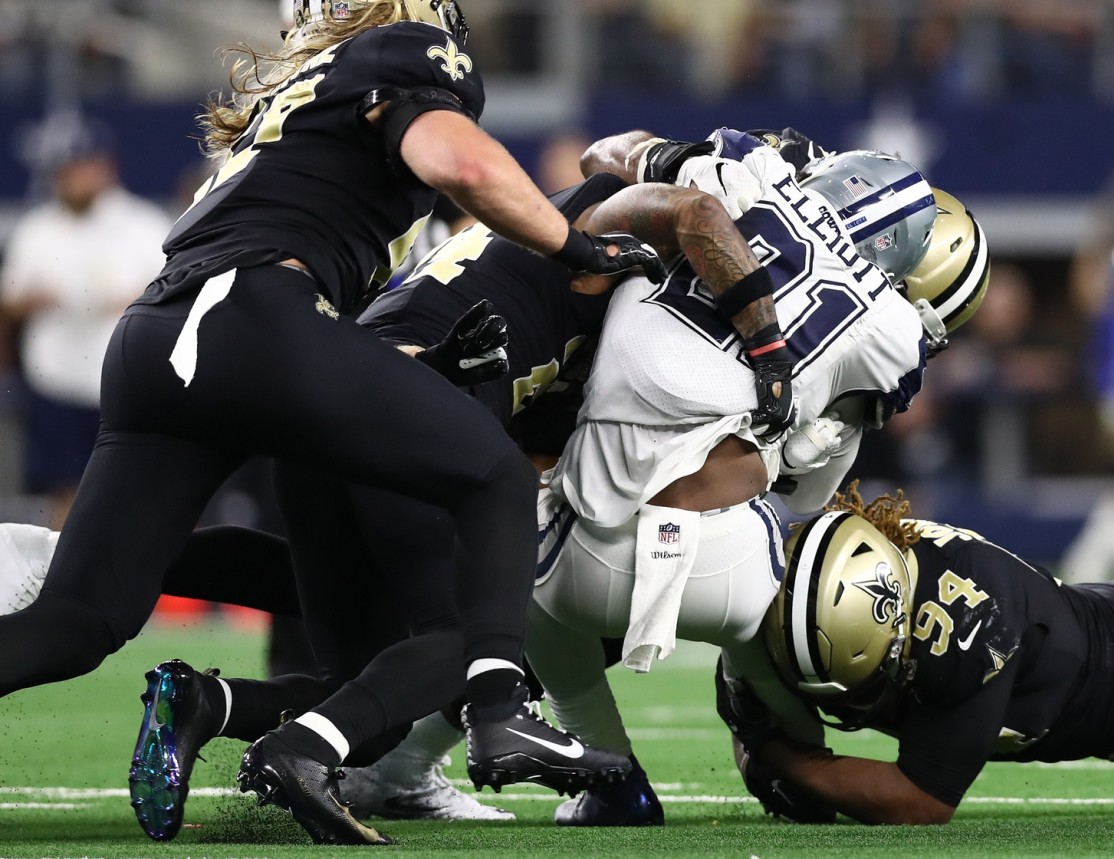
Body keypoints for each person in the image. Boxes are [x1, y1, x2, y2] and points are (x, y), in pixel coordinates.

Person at [0, 0, 670, 845]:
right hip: (252, 315)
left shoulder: (306, 90)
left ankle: (74, 562)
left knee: (79, 622)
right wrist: (575, 247)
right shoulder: (405, 51)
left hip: (156, 337)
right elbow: (457, 159)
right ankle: (501, 705)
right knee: (489, 476)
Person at [124, 160, 802, 843]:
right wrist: (769, 347)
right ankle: (300, 749)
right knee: (472, 639)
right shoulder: (597, 227)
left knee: (372, 701)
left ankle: (201, 696)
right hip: (398, 405)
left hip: (333, 414)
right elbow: (696, 215)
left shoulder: (552, 287)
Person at [522, 127, 990, 826]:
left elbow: (601, 156)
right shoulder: (889, 337)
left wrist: (674, 166)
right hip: (727, 569)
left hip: (569, 527)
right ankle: (795, 760)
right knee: (793, 559)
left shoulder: (745, 168)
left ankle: (612, 777)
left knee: (516, 580)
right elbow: (799, 492)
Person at [717, 482, 1114, 825]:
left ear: (899, 626)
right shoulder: (825, 572)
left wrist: (783, 757)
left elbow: (919, 802)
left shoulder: (973, 631)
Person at [0, 114, 172, 529]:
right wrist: (31, 300)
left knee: (131, 489)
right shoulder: (39, 227)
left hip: (122, 382)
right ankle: (67, 586)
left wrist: (138, 302)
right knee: (64, 492)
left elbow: (179, 299)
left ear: (103, 165)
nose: (72, 177)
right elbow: (9, 302)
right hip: (57, 379)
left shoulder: (142, 225)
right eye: (64, 169)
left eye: (79, 166)